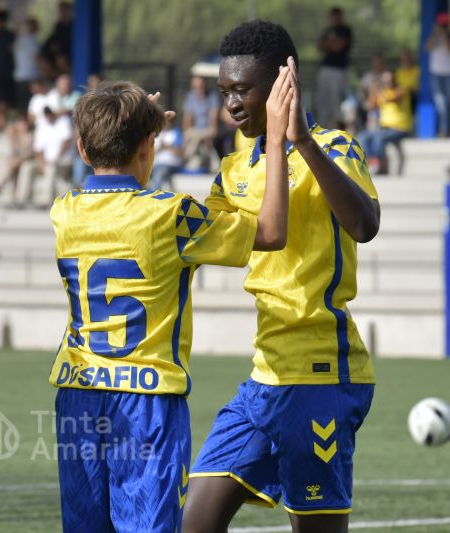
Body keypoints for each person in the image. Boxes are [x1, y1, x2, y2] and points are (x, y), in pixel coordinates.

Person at [49, 78, 293, 532]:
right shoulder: (171, 215)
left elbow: (111, 177)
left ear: (82, 149)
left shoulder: (64, 211)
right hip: (147, 400)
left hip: (78, 396)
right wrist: (275, 139)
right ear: (149, 146)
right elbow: (273, 231)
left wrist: (137, 130)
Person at [185, 21, 380, 533]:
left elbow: (365, 225)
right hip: (264, 376)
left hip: (320, 376)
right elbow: (195, 244)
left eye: (242, 90)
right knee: (194, 522)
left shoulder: (336, 147)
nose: (231, 104)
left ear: (282, 83)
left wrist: (302, 143)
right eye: (225, 92)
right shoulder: (232, 170)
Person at [358, 71, 412, 174]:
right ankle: (371, 162)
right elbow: (369, 106)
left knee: (378, 138)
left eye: (390, 81)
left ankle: (381, 167)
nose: (388, 83)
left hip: (400, 128)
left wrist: (379, 91)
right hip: (384, 128)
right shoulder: (382, 93)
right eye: (385, 82)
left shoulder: (401, 90)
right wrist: (373, 90)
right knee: (363, 137)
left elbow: (393, 98)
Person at [316, 7, 352, 128]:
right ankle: (323, 127)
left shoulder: (346, 30)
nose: (335, 18)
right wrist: (332, 42)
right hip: (325, 69)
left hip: (339, 70)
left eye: (337, 15)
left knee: (336, 100)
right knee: (323, 99)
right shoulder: (327, 30)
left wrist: (330, 43)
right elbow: (320, 46)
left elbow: (338, 46)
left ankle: (338, 128)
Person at [181, 75, 220, 170]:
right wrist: (186, 134)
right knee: (192, 136)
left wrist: (210, 133)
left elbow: (213, 122)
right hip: (196, 131)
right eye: (196, 87)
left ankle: (185, 156)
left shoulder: (212, 96)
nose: (199, 89)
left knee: (197, 137)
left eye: (201, 86)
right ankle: (197, 159)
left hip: (208, 130)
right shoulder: (190, 97)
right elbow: (187, 118)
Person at [426, 12, 450, 137]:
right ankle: (443, 130)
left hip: (448, 73)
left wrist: (445, 33)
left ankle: (445, 129)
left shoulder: (447, 35)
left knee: (447, 101)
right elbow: (427, 47)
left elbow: (448, 48)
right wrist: (435, 34)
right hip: (436, 74)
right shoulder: (434, 35)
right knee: (441, 103)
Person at [14, 17, 42, 114]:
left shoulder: (19, 40)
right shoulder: (32, 41)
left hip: (19, 78)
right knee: (32, 107)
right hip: (31, 77)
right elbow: (38, 59)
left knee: (22, 107)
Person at [395, 48, 419, 116]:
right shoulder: (398, 73)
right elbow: (397, 89)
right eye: (404, 58)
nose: (407, 60)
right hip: (404, 104)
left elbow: (418, 88)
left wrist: (407, 88)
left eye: (408, 57)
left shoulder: (418, 71)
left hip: (416, 101)